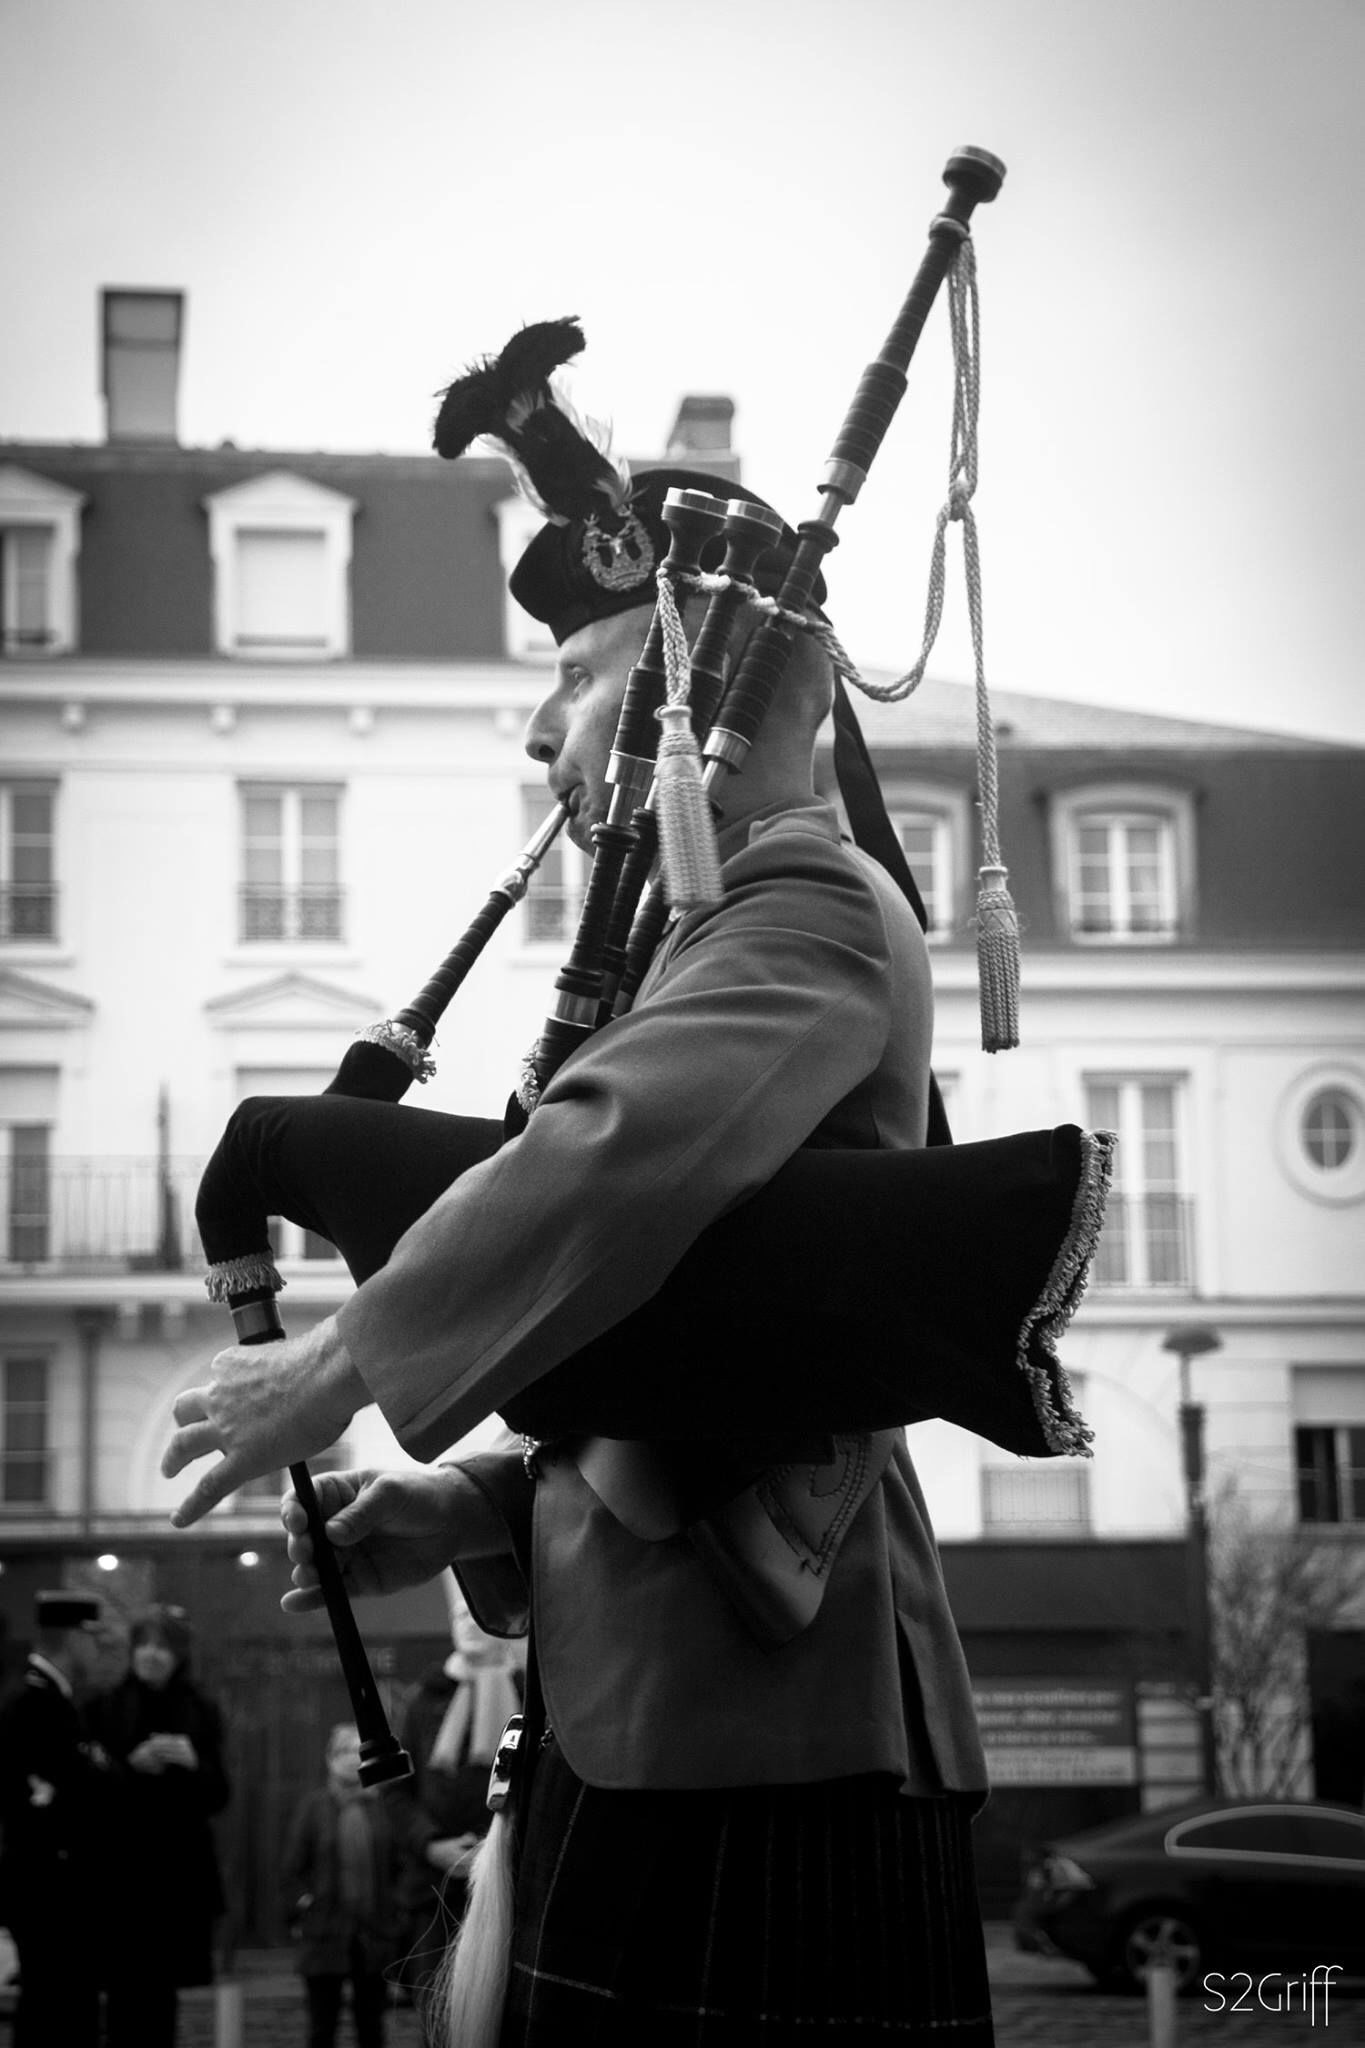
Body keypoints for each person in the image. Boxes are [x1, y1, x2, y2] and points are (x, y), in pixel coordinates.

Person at [162, 355, 997, 2042]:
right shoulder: (707, 941)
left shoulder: (810, 908)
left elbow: (601, 1160)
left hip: (775, 1722)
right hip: (656, 1714)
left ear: (705, 701)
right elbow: (659, 1359)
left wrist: (326, 1374)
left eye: (580, 670)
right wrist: (465, 1511)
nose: (544, 723)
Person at [88, 1603, 230, 2048]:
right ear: (131, 1652)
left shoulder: (201, 1710)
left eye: (163, 1647)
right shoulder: (102, 1707)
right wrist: (128, 1768)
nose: (152, 1655)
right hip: (120, 1877)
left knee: (163, 2000)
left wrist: (193, 1764)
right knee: (122, 1997)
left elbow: (220, 1794)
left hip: (177, 1878)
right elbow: (87, 1796)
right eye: (144, 1645)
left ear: (179, 1655)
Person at [390, 1583, 524, 2009]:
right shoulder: (425, 1699)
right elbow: (397, 1791)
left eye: (475, 1615)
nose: (466, 1625)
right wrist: (432, 1844)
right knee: (437, 2012)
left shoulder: (528, 1693)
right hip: (435, 1889)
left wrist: (499, 1847)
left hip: (510, 1879)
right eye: (458, 1617)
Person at [0, 1590, 112, 2048]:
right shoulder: (32, 1703)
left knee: (65, 2007)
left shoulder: (56, 1700)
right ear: (73, 1638)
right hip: (48, 1886)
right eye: (94, 1639)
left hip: (58, 1886)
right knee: (53, 2010)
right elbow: (37, 1800)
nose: (98, 1649)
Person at [282, 1722, 405, 2048]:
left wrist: (395, 1911)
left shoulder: (386, 1806)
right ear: (329, 1758)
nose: (351, 1758)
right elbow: (292, 1868)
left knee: (372, 2029)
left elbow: (400, 1865)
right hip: (324, 1937)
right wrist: (306, 1905)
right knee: (321, 2030)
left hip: (374, 1936)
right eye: (343, 1750)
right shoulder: (314, 1806)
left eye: (358, 1750)